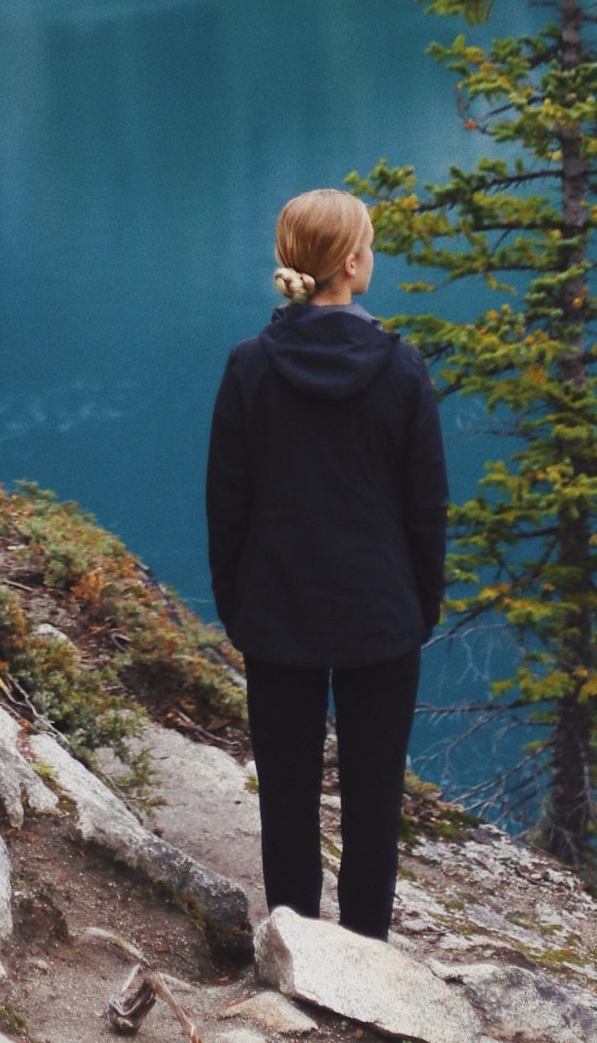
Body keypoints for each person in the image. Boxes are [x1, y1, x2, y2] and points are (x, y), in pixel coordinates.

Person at [205, 187, 448, 939]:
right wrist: (419, 609)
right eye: (368, 244)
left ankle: (294, 950)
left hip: (277, 612)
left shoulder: (249, 366)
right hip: (381, 616)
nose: (372, 254)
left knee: (287, 794)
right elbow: (427, 509)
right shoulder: (401, 368)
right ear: (349, 263)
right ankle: (365, 954)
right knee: (374, 799)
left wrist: (237, 608)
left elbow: (227, 502)